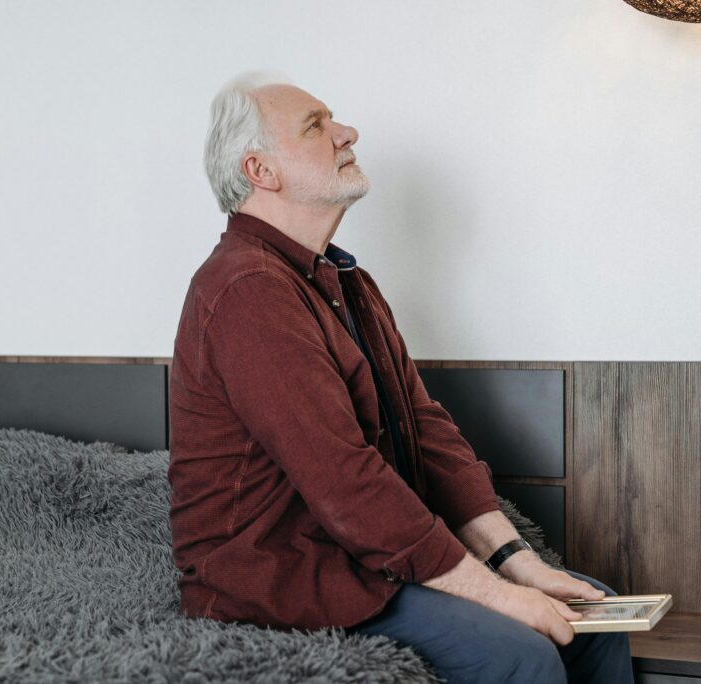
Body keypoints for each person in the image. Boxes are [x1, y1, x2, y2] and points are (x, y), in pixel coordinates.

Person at [167, 70, 633, 683]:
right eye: (317, 125)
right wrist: (496, 597)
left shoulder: (344, 281)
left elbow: (424, 428)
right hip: (282, 582)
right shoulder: (248, 289)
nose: (347, 132)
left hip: (363, 561)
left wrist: (516, 562)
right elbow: (344, 479)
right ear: (262, 171)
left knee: (596, 620)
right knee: (521, 651)